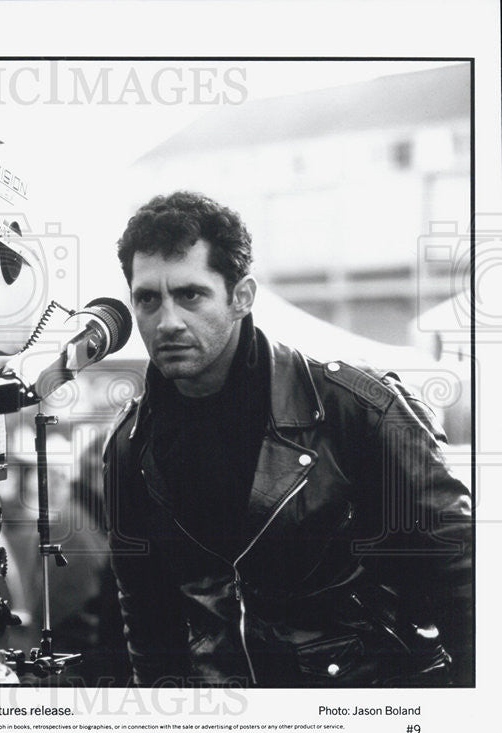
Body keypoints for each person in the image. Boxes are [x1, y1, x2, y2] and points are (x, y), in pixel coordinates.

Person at [104, 191, 472, 687]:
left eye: (190, 294)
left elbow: (462, 579)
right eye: (148, 298)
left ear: (241, 297)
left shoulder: (356, 408)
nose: (167, 321)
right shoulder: (131, 443)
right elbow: (149, 626)